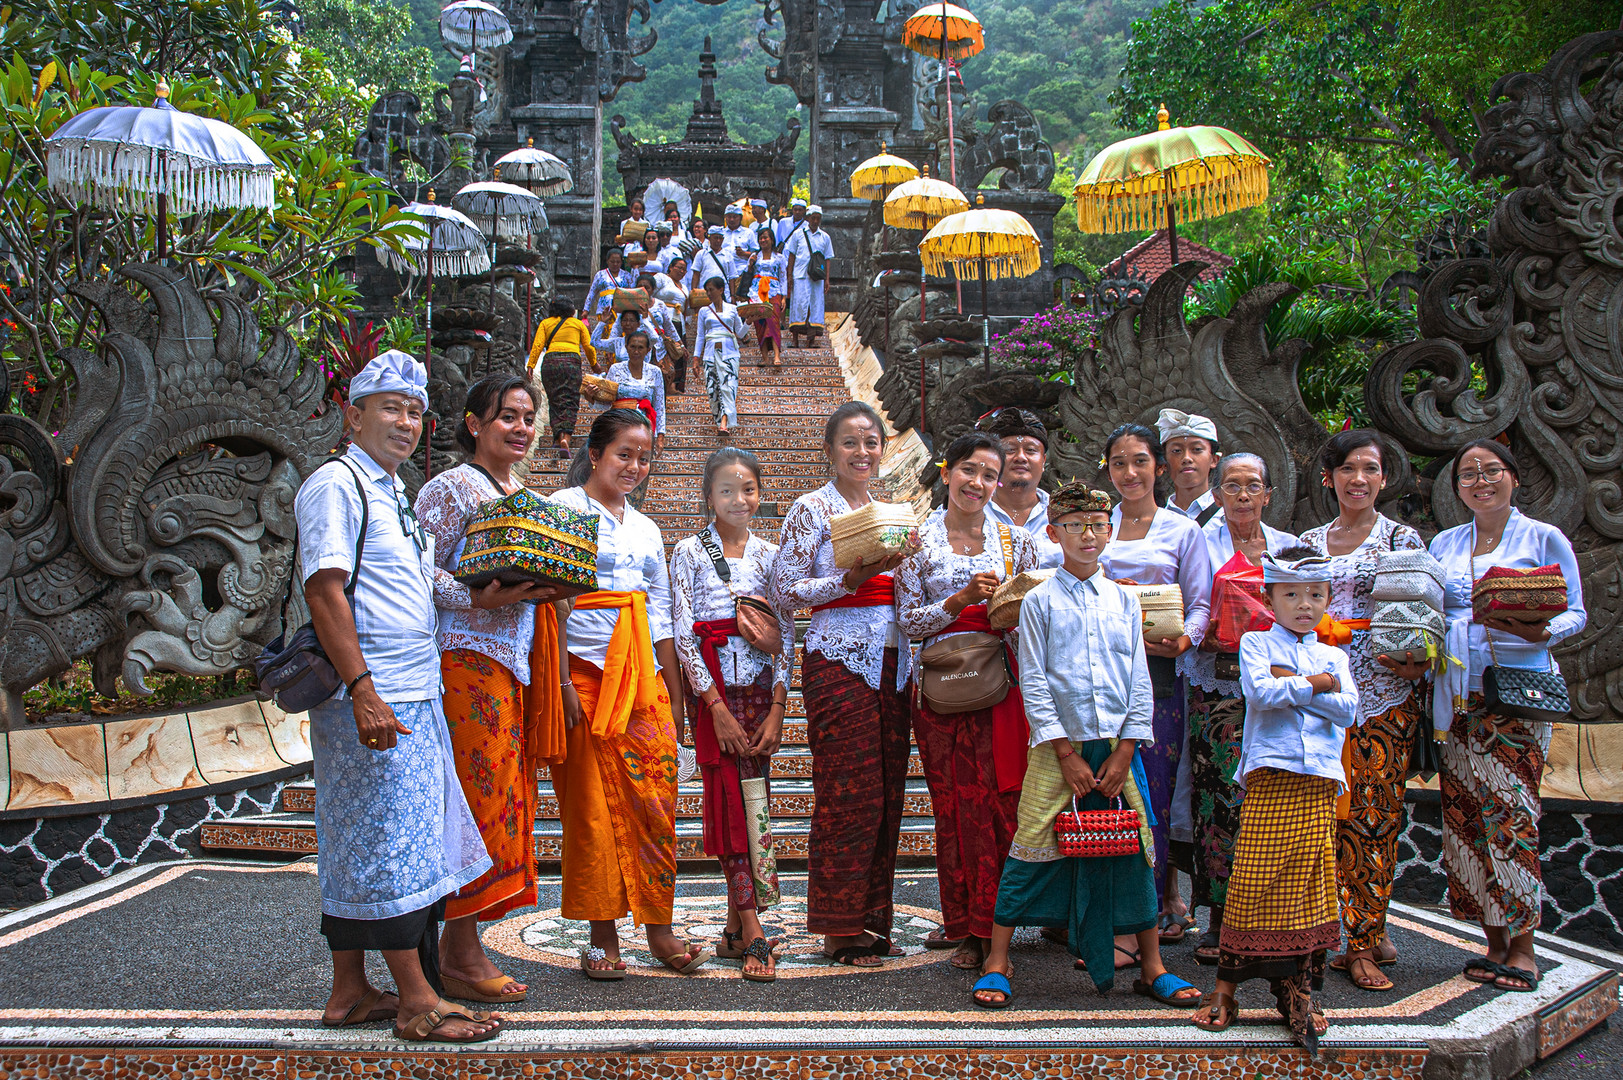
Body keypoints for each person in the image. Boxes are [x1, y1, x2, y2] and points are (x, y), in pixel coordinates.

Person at [296, 351, 499, 1043]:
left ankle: (349, 991)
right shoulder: (335, 484)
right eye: (390, 406)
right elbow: (324, 590)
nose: (405, 421)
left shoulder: (389, 490)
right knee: (395, 847)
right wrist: (363, 690)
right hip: (377, 696)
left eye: (414, 411)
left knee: (361, 841)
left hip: (413, 691)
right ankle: (418, 1000)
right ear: (352, 414)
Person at [973, 482, 1200, 1011]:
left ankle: (1152, 967)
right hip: (1059, 751)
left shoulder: (1124, 598)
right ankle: (997, 961)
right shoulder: (1040, 602)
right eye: (1075, 526)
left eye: (1098, 525)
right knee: (1029, 846)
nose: (1088, 535)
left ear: (1110, 530)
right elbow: (1034, 680)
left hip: (1119, 749)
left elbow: (1139, 679)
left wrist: (1125, 750)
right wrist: (1065, 753)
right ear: (1054, 533)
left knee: (1134, 850)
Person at [415, 374, 567, 1008]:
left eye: (529, 417)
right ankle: (459, 948)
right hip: (463, 659)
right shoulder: (449, 488)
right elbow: (416, 567)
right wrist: (475, 597)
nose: (522, 427)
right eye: (507, 416)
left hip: (514, 660)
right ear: (475, 424)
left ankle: (465, 939)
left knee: (504, 793)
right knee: (477, 795)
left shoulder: (526, 496)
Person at [551, 408, 710, 978]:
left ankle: (660, 927)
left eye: (644, 457)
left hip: (642, 679)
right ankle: (602, 936)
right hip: (582, 672)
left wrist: (675, 695)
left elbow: (661, 615)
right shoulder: (562, 511)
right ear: (594, 455)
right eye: (624, 454)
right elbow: (549, 604)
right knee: (591, 810)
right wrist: (562, 683)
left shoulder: (646, 528)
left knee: (655, 803)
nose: (634, 466)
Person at [1429, 439, 1586, 993]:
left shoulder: (1542, 537)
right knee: (1467, 821)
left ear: (1513, 478)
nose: (1480, 480)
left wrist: (1543, 631)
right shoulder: (1446, 542)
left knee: (1511, 818)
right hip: (1457, 698)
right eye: (1468, 474)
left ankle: (1523, 946)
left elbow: (1576, 611)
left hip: (1517, 695)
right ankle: (1491, 942)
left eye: (1491, 470)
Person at [1192, 548, 1358, 1053]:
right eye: (1290, 594)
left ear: (1328, 598)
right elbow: (1261, 695)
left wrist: (1303, 682)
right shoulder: (1255, 643)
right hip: (1272, 774)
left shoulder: (1337, 656)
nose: (1304, 605)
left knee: (1310, 884)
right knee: (1253, 878)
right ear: (1269, 598)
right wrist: (1319, 688)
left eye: (1314, 595)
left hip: (1320, 779)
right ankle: (1226, 990)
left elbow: (1348, 709)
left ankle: (1300, 991)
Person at [772, 401, 919, 967]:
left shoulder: (892, 512)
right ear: (829, 451)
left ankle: (874, 919)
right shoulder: (811, 509)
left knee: (887, 793)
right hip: (837, 656)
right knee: (847, 791)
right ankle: (840, 927)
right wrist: (848, 579)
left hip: (896, 659)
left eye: (873, 442)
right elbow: (787, 588)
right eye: (851, 442)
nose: (863, 452)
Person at [896, 432, 1038, 971]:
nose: (977, 483)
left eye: (989, 475)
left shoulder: (1015, 541)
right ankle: (963, 925)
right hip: (939, 687)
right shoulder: (916, 541)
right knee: (953, 807)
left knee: (1000, 805)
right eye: (968, 471)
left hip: (1001, 686)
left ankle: (992, 925)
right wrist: (958, 601)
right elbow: (909, 621)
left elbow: (1031, 621)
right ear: (946, 471)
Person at [1298, 429, 1428, 993]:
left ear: (1383, 478)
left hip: (1382, 693)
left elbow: (1425, 615)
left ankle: (1364, 941)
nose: (1359, 479)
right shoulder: (1306, 542)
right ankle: (1327, 931)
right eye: (1348, 468)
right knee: (1321, 818)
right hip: (1319, 698)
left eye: (1370, 469)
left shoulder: (1403, 539)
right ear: (1330, 478)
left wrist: (1419, 660)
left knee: (1374, 817)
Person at [671, 448, 795, 982]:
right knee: (730, 811)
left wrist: (778, 709)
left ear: (760, 494)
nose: (738, 499)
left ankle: (732, 928)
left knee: (754, 807)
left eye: (748, 489)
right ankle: (756, 932)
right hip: (718, 698)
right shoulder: (689, 552)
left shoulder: (772, 555)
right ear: (708, 498)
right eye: (726, 490)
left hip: (759, 695)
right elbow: (682, 634)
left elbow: (786, 632)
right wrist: (713, 708)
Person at [1099, 422, 1212, 959]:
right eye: (1119, 463)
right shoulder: (1100, 528)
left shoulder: (1181, 531)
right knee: (1109, 795)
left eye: (1140, 461)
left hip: (1160, 676)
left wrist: (1186, 638)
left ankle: (1143, 920)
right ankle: (1111, 911)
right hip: (1100, 677)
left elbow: (1202, 603)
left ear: (1158, 468)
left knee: (1154, 797)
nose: (1129, 473)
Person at [1185, 453, 1298, 964]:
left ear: (1268, 494)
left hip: (1274, 689)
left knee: (1270, 796)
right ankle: (1217, 916)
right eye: (1232, 486)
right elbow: (1192, 603)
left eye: (1253, 485)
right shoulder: (1200, 543)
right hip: (1218, 687)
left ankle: (1269, 913)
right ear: (1217, 494)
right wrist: (1203, 631)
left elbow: (1307, 609)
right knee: (1217, 800)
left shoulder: (1289, 549)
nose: (1243, 495)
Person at [528, 298, 598, 458]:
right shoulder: (578, 324)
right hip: (571, 364)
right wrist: (594, 365)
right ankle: (565, 437)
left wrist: (531, 365)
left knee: (554, 400)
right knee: (570, 400)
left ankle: (557, 437)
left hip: (550, 363)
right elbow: (588, 346)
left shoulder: (546, 323)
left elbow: (538, 345)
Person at [696, 274, 749, 440]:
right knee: (713, 389)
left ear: (721, 290)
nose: (709, 293)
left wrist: (749, 322)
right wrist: (696, 358)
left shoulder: (732, 309)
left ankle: (724, 423)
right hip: (710, 353)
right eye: (707, 291)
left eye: (711, 290)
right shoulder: (704, 311)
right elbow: (700, 336)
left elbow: (739, 333)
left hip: (730, 353)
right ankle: (720, 420)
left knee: (728, 387)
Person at [1159, 409, 1223, 526]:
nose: (1186, 458)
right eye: (1176, 451)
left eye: (1197, 449)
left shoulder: (1228, 516)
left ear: (1214, 460)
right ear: (1164, 463)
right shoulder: (1156, 519)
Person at [784, 205, 834, 350]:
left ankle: (811, 340)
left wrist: (827, 279)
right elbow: (792, 255)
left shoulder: (825, 237)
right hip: (800, 275)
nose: (815, 221)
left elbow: (827, 259)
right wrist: (789, 275)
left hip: (817, 278)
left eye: (818, 218)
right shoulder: (798, 235)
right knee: (798, 306)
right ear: (808, 218)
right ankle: (795, 340)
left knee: (814, 306)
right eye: (813, 218)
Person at [736, 226, 786, 367]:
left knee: (773, 322)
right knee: (760, 324)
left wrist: (783, 297)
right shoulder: (754, 256)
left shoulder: (779, 257)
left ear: (771, 239)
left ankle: (777, 355)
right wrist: (751, 263)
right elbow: (747, 272)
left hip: (773, 291)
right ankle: (764, 357)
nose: (763, 240)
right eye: (761, 238)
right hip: (756, 292)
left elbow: (783, 277)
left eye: (766, 237)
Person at [585, 247, 634, 318]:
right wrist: (586, 309)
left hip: (621, 310)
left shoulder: (627, 275)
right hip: (604, 309)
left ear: (621, 262)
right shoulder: (600, 275)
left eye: (618, 262)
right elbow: (592, 292)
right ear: (607, 261)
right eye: (612, 261)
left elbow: (633, 290)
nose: (615, 264)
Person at [692, 226, 736, 303]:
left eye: (720, 238)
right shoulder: (701, 254)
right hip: (704, 294)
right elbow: (696, 275)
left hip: (723, 294)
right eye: (715, 238)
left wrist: (732, 295)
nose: (718, 241)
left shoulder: (728, 256)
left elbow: (732, 277)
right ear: (709, 238)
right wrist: (693, 292)